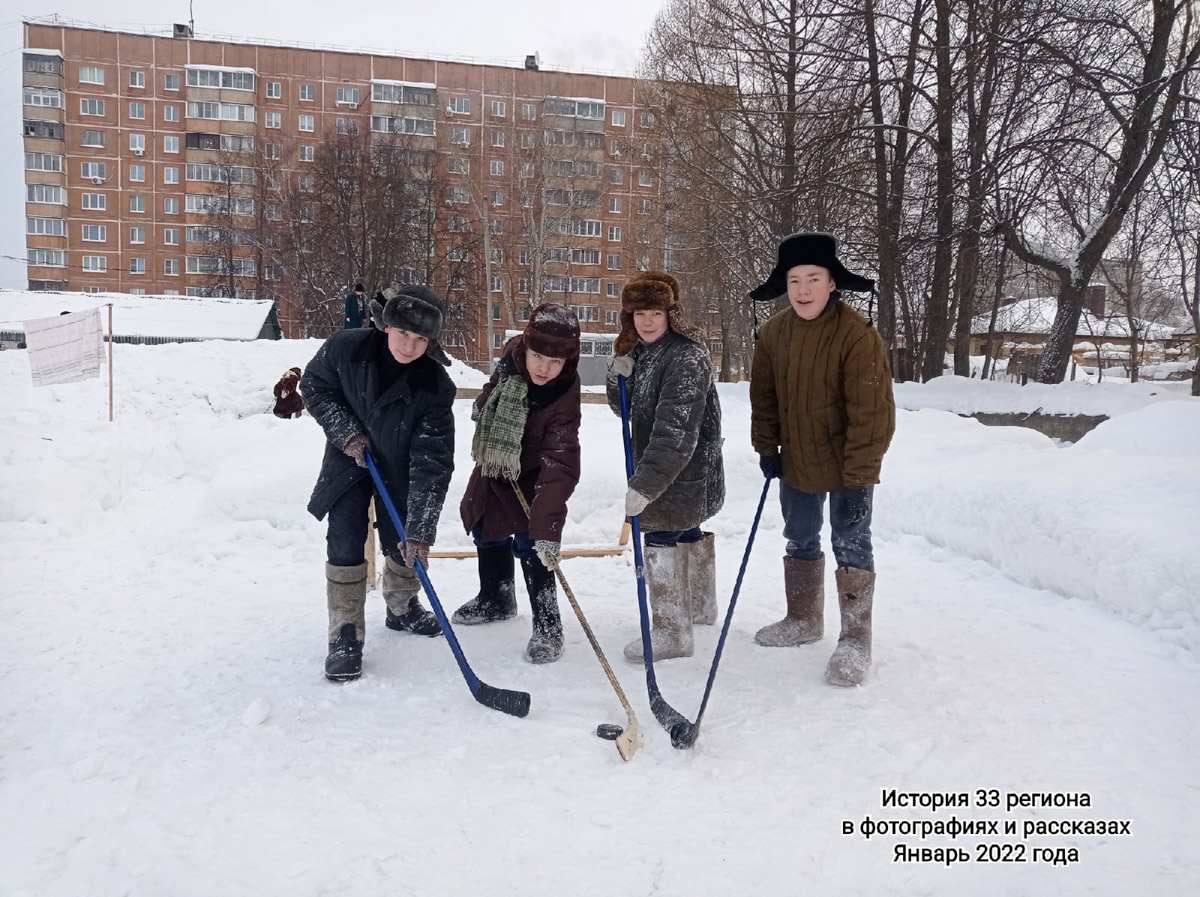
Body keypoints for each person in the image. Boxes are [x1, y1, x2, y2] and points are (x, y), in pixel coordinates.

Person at [749, 232, 895, 686]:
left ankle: (855, 638)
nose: (804, 289)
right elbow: (764, 398)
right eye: (794, 280)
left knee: (851, 542)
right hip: (796, 459)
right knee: (800, 538)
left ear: (833, 283)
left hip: (849, 464)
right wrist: (767, 448)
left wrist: (858, 479)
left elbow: (871, 415)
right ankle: (804, 619)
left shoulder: (857, 336)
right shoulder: (773, 333)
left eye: (814, 278)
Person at [300, 286, 456, 681]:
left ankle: (402, 606)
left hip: (402, 467)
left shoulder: (434, 385)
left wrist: (421, 531)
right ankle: (345, 631)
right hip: (350, 458)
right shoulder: (347, 348)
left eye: (421, 339)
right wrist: (347, 433)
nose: (410, 345)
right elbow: (315, 386)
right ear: (386, 324)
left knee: (402, 535)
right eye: (404, 333)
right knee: (346, 537)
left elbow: (433, 461)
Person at [605, 272, 725, 662]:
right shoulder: (644, 352)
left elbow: (675, 430)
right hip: (668, 466)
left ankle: (672, 632)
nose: (648, 321)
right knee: (686, 527)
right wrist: (616, 376)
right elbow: (625, 409)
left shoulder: (687, 356)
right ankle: (699, 607)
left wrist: (645, 484)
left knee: (660, 536)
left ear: (671, 313)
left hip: (681, 467)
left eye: (655, 312)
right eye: (640, 313)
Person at [454, 305, 582, 663]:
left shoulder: (563, 397)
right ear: (526, 348)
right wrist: (484, 404)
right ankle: (496, 597)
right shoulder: (511, 357)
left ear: (567, 363)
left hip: (534, 476)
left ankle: (548, 626)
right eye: (539, 357)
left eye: (555, 362)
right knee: (486, 529)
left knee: (532, 545)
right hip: (497, 461)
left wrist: (548, 527)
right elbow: (493, 386)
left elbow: (561, 461)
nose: (544, 368)